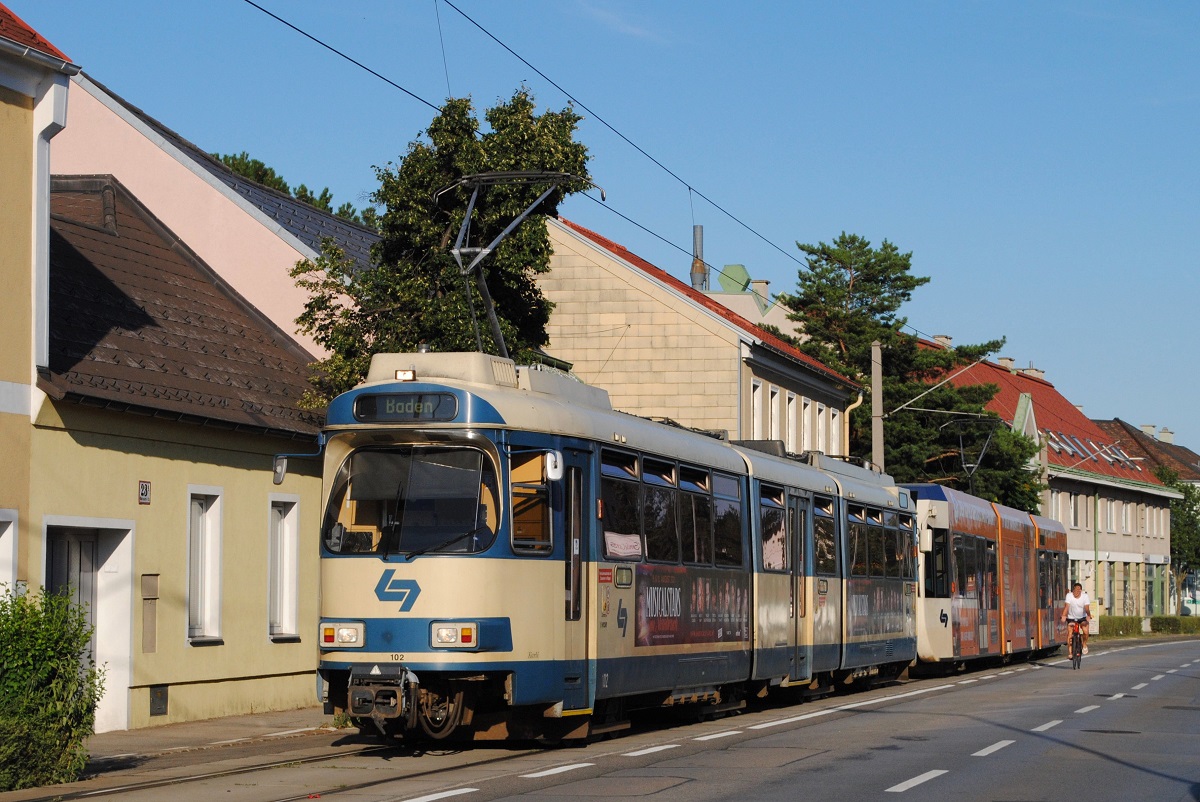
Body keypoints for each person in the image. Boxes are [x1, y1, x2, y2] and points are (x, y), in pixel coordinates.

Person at [1060, 582, 1091, 657]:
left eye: (1078, 590)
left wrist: (1088, 615)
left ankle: (1084, 644)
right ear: (1072, 590)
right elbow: (1067, 607)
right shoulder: (1069, 596)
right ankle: (1070, 653)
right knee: (1070, 634)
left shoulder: (1085, 596)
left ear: (1081, 590)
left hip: (1082, 617)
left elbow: (1086, 608)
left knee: (1085, 631)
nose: (1076, 592)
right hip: (1071, 618)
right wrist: (1064, 615)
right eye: (1074, 590)